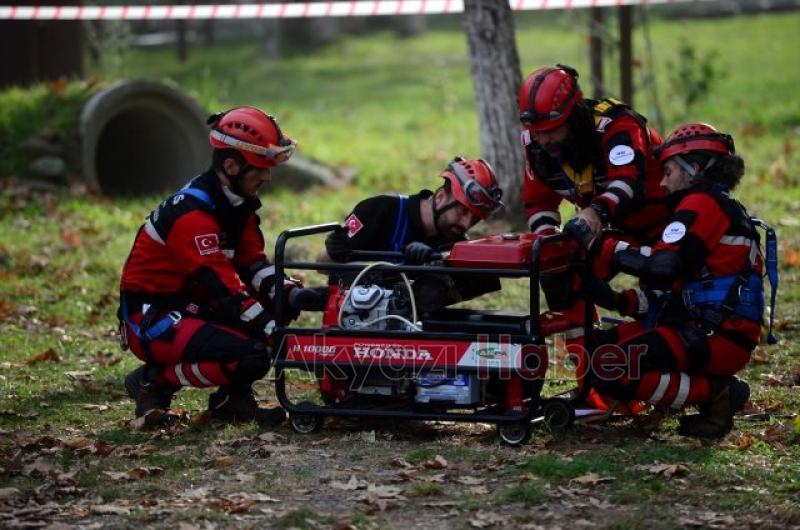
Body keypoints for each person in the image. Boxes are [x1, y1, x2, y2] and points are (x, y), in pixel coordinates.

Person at [119, 106, 328, 428]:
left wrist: (292, 294)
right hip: (153, 317)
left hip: (195, 302)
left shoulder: (236, 203)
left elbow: (252, 264)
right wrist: (275, 333)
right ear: (231, 165)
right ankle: (153, 381)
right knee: (252, 354)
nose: (267, 176)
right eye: (260, 168)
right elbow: (225, 288)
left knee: (278, 309)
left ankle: (233, 401)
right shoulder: (192, 215)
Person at [570, 122, 767, 439]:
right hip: (702, 326)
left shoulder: (703, 204)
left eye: (668, 171)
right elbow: (675, 286)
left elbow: (663, 265)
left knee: (609, 366)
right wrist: (618, 301)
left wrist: (600, 244)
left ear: (695, 169)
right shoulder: (710, 206)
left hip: (715, 335)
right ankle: (666, 395)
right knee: (596, 353)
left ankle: (716, 393)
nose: (661, 183)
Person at [324, 156, 504, 308]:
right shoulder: (378, 210)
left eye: (474, 219)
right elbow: (322, 265)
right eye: (463, 211)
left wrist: (435, 262)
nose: (466, 223)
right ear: (440, 197)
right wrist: (334, 250)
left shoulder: (455, 245)